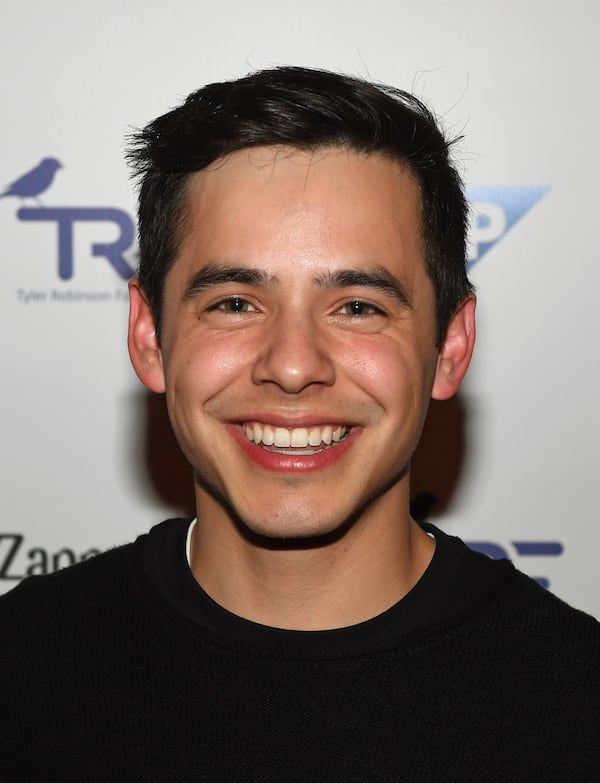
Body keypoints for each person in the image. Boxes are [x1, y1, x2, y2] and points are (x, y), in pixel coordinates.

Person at [1, 66, 598, 781]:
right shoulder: (21, 667)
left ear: (451, 346)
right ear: (149, 336)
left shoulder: (577, 702)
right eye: (233, 302)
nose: (291, 366)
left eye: (357, 306)